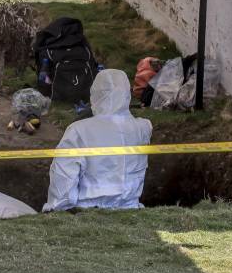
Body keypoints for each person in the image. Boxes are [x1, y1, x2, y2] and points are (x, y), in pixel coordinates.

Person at [43, 69, 152, 212]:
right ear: (127, 94)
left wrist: (58, 208)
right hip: (130, 209)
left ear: (96, 94)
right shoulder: (144, 127)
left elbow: (64, 180)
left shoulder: (78, 130)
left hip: (87, 210)